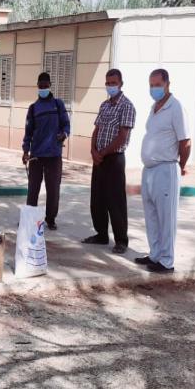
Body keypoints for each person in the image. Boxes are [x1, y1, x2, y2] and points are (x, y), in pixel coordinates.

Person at [135, 69, 191, 273]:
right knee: (151, 214)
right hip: (149, 169)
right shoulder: (154, 107)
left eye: (157, 85)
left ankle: (167, 261)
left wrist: (181, 165)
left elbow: (185, 141)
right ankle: (155, 254)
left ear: (167, 84)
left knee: (166, 217)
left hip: (166, 169)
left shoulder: (175, 107)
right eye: (151, 85)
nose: (153, 89)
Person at [82, 69, 136, 254]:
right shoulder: (104, 105)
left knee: (116, 201)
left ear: (121, 83)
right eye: (108, 83)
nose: (110, 86)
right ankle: (101, 234)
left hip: (114, 159)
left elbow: (122, 136)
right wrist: (93, 151)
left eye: (113, 82)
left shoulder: (127, 106)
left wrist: (103, 153)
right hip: (99, 159)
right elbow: (96, 130)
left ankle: (121, 240)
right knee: (97, 198)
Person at [22, 72, 70, 231]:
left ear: (50, 85)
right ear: (38, 86)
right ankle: (30, 217)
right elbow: (28, 132)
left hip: (54, 155)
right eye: (40, 86)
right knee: (33, 189)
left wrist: (64, 134)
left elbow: (66, 125)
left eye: (45, 86)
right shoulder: (33, 108)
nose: (43, 88)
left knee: (53, 189)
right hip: (36, 155)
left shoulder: (58, 105)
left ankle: (51, 219)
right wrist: (25, 151)